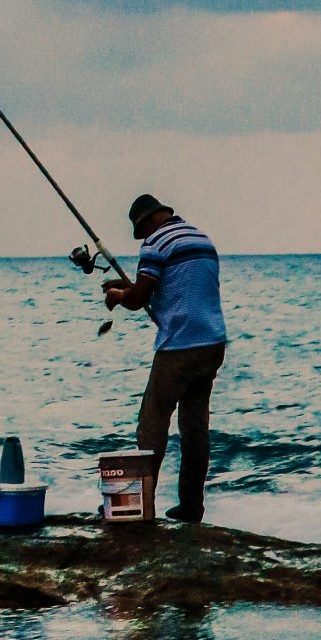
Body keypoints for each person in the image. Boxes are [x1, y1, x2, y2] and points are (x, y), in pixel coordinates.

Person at [102, 193, 227, 524]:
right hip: (212, 343)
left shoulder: (155, 242)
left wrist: (118, 296)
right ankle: (191, 507)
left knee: (152, 423)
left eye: (140, 231)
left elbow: (138, 299)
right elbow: (178, 286)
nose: (142, 238)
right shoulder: (200, 237)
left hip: (178, 347)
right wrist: (130, 286)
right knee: (195, 428)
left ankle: (139, 506)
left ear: (146, 221)